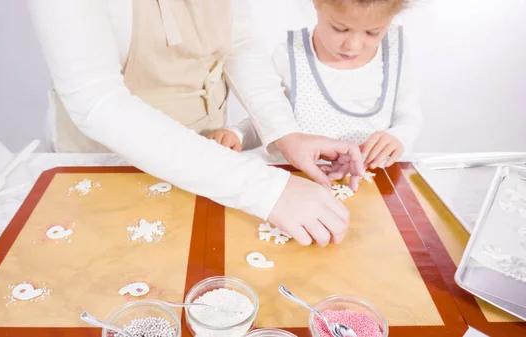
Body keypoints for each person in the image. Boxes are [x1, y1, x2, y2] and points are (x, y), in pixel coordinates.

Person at [27, 0, 365, 247]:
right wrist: (267, 190)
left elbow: (240, 41)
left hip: (210, 158)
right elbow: (98, 101)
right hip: (107, 159)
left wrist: (284, 132)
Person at [209, 0, 422, 171]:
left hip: (370, 183)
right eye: (340, 28)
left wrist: (398, 138)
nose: (353, 45)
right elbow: (271, 118)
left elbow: (408, 117)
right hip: (298, 184)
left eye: (372, 33)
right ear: (317, 3)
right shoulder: (291, 56)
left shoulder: (395, 50)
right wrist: (238, 135)